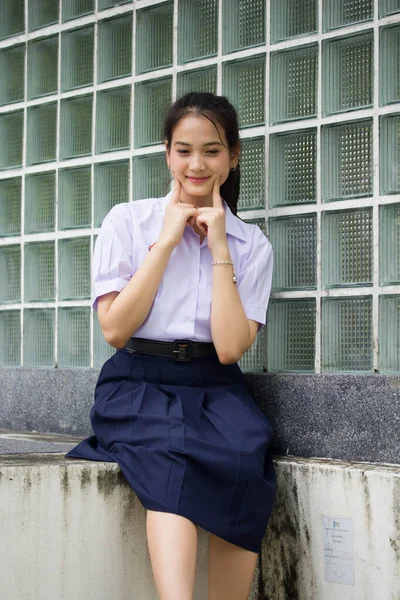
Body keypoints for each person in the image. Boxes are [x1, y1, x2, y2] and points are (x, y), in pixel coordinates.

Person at [65, 92, 276, 600]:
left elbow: (229, 349)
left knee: (248, 460)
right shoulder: (127, 222)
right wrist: (165, 242)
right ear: (167, 153)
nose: (197, 164)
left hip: (215, 386)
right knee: (169, 455)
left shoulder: (252, 244)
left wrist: (220, 246)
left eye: (212, 150)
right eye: (184, 150)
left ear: (233, 156)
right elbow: (115, 329)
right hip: (138, 381)